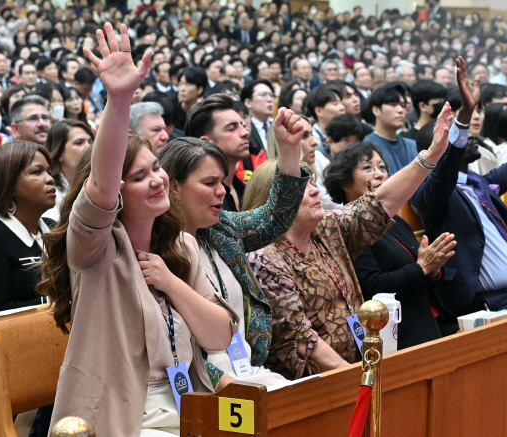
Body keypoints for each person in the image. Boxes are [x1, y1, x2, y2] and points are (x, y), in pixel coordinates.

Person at [38, 23, 237, 436]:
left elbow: (219, 335)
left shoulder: (180, 244)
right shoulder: (94, 248)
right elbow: (100, 188)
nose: (158, 179)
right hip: (120, 412)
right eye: (140, 175)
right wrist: (120, 99)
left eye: (158, 167)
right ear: (118, 190)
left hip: (191, 401)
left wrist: (172, 283)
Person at [244, 100, 452, 379]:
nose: (316, 192)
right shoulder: (265, 257)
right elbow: (300, 337)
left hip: (360, 367)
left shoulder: (326, 228)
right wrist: (360, 376)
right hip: (317, 383)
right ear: (276, 199)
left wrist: (431, 156)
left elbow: (381, 202)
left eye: (314, 183)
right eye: (304, 188)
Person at [158, 106, 309, 389]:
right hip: (198, 384)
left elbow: (275, 218)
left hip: (248, 369)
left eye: (222, 181)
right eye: (209, 182)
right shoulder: (156, 252)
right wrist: (239, 390)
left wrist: (288, 150)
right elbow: (172, 348)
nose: (222, 191)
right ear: (174, 187)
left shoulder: (219, 228)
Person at [412, 59, 507, 335]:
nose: (469, 137)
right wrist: (464, 114)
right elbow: (443, 171)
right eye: (457, 136)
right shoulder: (429, 194)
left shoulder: (478, 183)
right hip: (479, 306)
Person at [324, 141, 456, 349]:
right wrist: (421, 268)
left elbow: (421, 272)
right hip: (393, 337)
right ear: (344, 182)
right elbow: (372, 288)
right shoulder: (346, 229)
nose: (379, 175)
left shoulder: (396, 221)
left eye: (382, 167)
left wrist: (433, 269)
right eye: (367, 168)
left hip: (426, 322)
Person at [0, 142, 56, 312]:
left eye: (48, 171)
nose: (50, 178)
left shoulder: (53, 227)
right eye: (36, 172)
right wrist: (55, 301)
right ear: (8, 185)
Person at [184, 94, 253, 212]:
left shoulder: (244, 190)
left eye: (242, 125)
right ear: (205, 142)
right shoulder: (200, 198)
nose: (245, 133)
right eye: (231, 128)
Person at [43, 120, 95, 221]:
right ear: (59, 153)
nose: (89, 147)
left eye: (90, 142)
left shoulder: (97, 183)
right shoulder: (51, 193)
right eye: (79, 143)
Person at [312, 114, 365, 209]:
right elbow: (325, 198)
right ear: (331, 141)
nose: (352, 146)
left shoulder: (360, 160)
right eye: (346, 141)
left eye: (356, 142)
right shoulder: (317, 157)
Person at [364, 82, 418, 175]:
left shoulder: (412, 145)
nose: (400, 110)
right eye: (393, 104)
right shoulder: (368, 147)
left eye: (403, 106)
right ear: (376, 110)